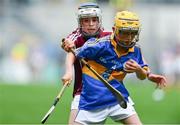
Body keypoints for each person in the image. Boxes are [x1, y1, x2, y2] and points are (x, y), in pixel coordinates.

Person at [62, 10, 166, 124]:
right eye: (124, 32)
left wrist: (139, 70)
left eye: (133, 33)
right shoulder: (99, 45)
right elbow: (73, 53)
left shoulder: (135, 50)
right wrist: (68, 72)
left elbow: (142, 76)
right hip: (93, 100)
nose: (129, 37)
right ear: (114, 30)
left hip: (118, 98)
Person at [61, 2, 111, 124]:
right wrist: (68, 72)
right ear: (80, 22)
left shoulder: (108, 37)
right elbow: (69, 46)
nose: (91, 24)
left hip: (106, 92)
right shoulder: (76, 36)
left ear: (99, 21)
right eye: (86, 21)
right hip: (82, 92)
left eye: (94, 20)